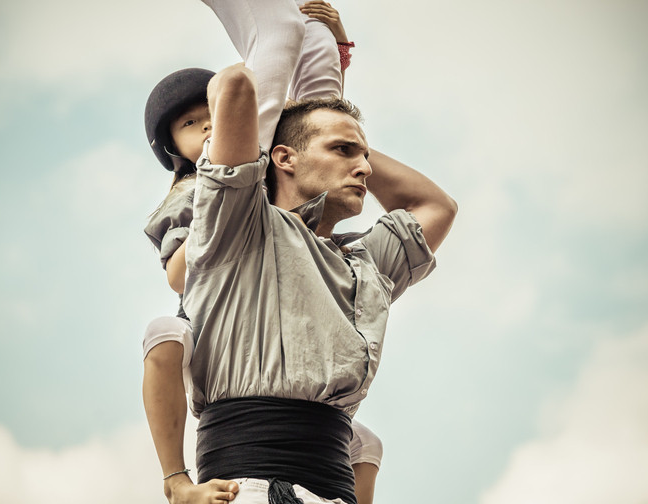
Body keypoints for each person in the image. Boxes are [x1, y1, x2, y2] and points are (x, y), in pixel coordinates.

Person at [159, 60, 456, 503]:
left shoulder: (366, 264)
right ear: (283, 158)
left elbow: (435, 206)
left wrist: (348, 141)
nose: (365, 169)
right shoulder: (236, 226)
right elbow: (234, 84)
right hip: (244, 491)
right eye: (343, 151)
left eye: (365, 156)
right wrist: (286, 119)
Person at [142, 4, 385, 502]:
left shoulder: (275, 180)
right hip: (229, 320)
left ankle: (310, 35)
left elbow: (313, 138)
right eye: (192, 124)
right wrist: (220, 226)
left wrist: (335, 47)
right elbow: (178, 277)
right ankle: (173, 478)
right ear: (174, 150)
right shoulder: (190, 196)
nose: (210, 128)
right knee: (163, 332)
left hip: (285, 305)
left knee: (306, 126)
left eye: (212, 117)